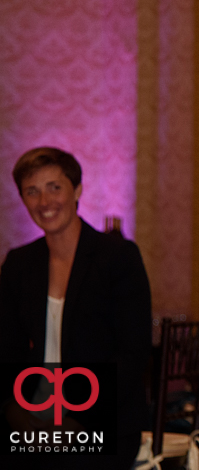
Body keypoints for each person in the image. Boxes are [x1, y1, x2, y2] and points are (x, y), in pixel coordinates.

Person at [0, 147, 152, 469]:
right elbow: (7, 349)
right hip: (32, 412)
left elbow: (133, 353)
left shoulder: (117, 257)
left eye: (54, 187)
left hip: (100, 418)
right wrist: (13, 408)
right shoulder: (19, 264)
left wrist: (75, 419)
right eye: (32, 191)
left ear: (77, 190)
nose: (44, 202)